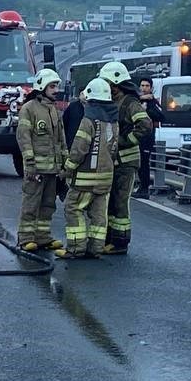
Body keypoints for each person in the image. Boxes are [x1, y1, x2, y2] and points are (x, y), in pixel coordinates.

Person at [57, 78, 120, 260]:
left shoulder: (89, 120)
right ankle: (95, 248)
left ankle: (76, 248)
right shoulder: (113, 122)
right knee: (99, 214)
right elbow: (113, 149)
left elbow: (79, 148)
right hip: (106, 178)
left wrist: (67, 168)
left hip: (85, 177)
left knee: (73, 208)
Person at [99, 61, 152, 255]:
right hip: (113, 160)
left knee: (120, 201)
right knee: (110, 200)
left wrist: (124, 141)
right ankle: (109, 237)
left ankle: (120, 242)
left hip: (126, 161)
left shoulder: (130, 103)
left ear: (116, 83)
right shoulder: (112, 101)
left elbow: (145, 124)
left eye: (108, 83)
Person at [15, 69, 65, 252]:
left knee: (48, 204)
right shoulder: (29, 109)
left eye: (56, 86)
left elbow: (61, 139)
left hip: (52, 169)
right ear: (41, 86)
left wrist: (63, 163)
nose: (56, 89)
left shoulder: (54, 109)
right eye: (52, 86)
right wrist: (29, 163)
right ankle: (26, 238)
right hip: (35, 168)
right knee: (31, 203)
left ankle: (43, 237)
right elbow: (24, 137)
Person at [133, 77, 165, 199]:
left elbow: (161, 116)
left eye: (147, 86)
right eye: (142, 85)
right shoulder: (136, 100)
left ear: (151, 88)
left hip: (147, 137)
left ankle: (144, 188)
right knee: (138, 163)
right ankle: (141, 186)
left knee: (144, 163)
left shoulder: (152, 102)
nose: (144, 88)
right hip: (136, 135)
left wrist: (147, 111)